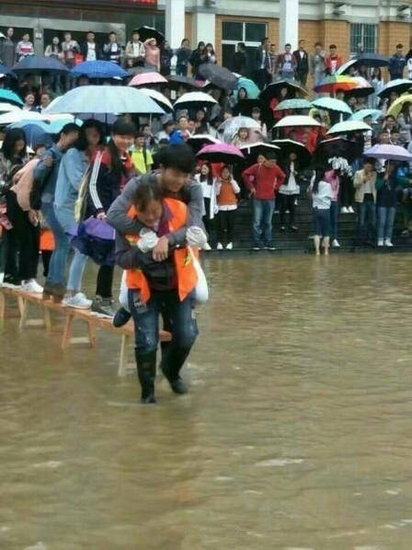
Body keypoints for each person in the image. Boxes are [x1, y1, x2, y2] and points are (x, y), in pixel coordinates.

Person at [84, 119, 136, 315]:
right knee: (108, 256)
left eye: (129, 137)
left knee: (114, 255)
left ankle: (108, 298)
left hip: (117, 211)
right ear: (113, 136)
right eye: (122, 137)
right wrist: (99, 211)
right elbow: (92, 185)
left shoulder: (126, 157)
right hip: (103, 212)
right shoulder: (102, 155)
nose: (126, 141)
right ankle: (102, 299)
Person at [54, 119, 106, 309]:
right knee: (81, 248)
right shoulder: (72, 154)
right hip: (67, 206)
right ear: (83, 134)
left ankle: (71, 291)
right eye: (91, 132)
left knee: (83, 248)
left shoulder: (97, 155)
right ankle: (72, 293)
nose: (94, 136)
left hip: (82, 209)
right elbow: (79, 183)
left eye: (98, 133)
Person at [33, 123, 80, 301]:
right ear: (63, 135)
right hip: (49, 202)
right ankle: (57, 283)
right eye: (72, 138)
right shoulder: (51, 153)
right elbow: (36, 174)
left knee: (61, 243)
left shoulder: (69, 155)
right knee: (64, 242)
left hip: (58, 204)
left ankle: (52, 283)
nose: (73, 142)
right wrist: (44, 165)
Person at [0, 128, 28, 286]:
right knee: (8, 238)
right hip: (5, 202)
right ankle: (8, 271)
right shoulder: (2, 158)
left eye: (22, 142)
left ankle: (16, 271)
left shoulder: (25, 158)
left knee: (18, 238)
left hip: (21, 201)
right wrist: (12, 183)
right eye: (17, 142)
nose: (20, 145)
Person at [242, 152, 286, 250]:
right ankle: (256, 242)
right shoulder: (258, 167)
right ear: (266, 160)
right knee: (256, 221)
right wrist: (251, 187)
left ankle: (268, 242)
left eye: (274, 162)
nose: (273, 164)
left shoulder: (276, 168)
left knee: (268, 222)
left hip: (270, 198)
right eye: (271, 162)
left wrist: (277, 186)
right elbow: (245, 174)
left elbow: (282, 176)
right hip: (258, 197)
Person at [307, 167, 333, 255]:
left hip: (316, 208)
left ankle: (317, 251)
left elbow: (310, 195)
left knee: (316, 232)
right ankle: (326, 251)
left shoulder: (314, 185)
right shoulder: (327, 185)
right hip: (325, 209)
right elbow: (331, 196)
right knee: (326, 232)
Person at [353, 158, 377, 244]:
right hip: (362, 199)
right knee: (361, 220)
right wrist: (364, 179)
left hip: (371, 198)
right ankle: (360, 239)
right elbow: (355, 184)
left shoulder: (374, 174)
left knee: (373, 221)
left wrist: (371, 177)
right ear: (364, 166)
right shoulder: (358, 173)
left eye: (370, 167)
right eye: (367, 166)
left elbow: (376, 186)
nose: (369, 168)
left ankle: (370, 239)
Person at [215, 165, 240, 250]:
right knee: (221, 226)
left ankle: (230, 242)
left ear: (230, 173)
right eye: (223, 172)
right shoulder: (218, 182)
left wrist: (232, 181)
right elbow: (216, 193)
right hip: (221, 207)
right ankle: (220, 242)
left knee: (230, 226)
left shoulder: (233, 182)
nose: (225, 174)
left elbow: (237, 190)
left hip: (232, 207)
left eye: (227, 172)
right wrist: (219, 183)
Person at [195, 161, 217, 245]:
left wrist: (215, 205)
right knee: (200, 220)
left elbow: (214, 193)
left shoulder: (213, 179)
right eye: (202, 168)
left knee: (207, 220)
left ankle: (206, 240)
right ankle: (200, 240)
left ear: (209, 169)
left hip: (208, 201)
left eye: (205, 168)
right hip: (200, 201)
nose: (203, 170)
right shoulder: (197, 177)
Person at [278, 152, 300, 231]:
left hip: (294, 185)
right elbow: (281, 173)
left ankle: (292, 223)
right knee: (283, 205)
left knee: (292, 206)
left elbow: (299, 172)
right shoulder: (284, 163)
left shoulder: (297, 163)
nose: (293, 156)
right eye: (291, 154)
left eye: (294, 154)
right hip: (285, 185)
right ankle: (282, 223)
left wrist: (297, 173)